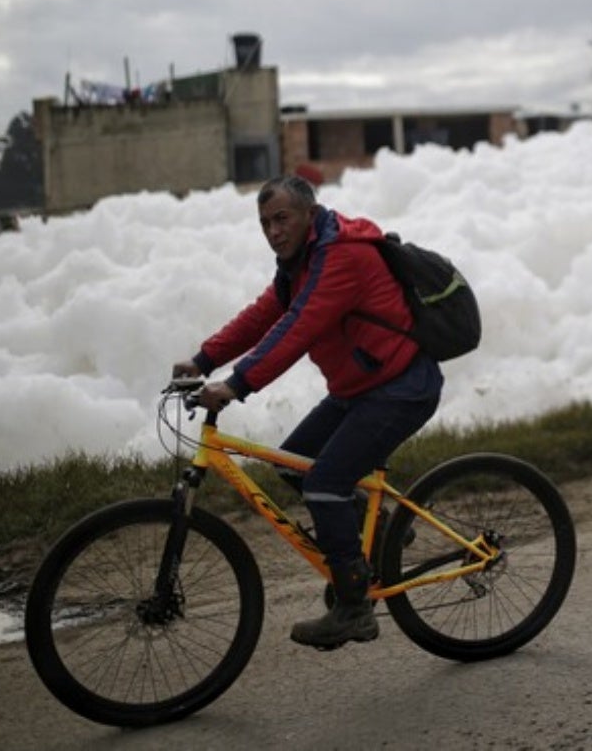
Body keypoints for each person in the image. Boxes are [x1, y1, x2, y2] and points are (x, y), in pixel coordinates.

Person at [172, 175, 443, 650]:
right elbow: (264, 316)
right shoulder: (298, 262)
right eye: (265, 224)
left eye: (282, 219)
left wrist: (236, 384)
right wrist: (203, 359)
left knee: (324, 483)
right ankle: (375, 537)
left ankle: (355, 605)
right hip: (359, 388)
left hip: (399, 388)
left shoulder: (341, 256)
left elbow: (298, 329)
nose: (274, 231)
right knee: (291, 462)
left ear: (309, 213)